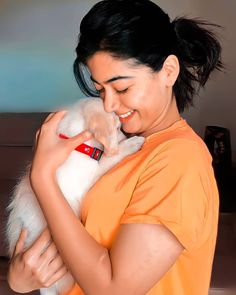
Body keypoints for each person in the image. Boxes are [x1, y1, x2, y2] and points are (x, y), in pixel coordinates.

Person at [8, 0, 223, 294]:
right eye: (100, 89)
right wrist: (19, 281)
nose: (109, 104)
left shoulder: (179, 159)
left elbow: (114, 290)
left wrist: (42, 179)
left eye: (122, 88)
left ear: (169, 72)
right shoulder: (131, 146)